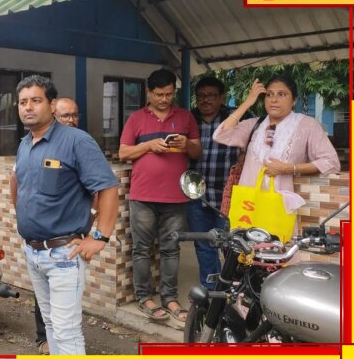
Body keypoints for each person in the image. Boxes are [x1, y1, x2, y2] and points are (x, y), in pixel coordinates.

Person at [12, 75, 119, 355]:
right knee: (49, 325)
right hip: (34, 253)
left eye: (36, 100)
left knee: (66, 331)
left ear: (51, 103)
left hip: (63, 256)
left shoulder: (76, 141)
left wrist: (100, 237)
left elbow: (107, 188)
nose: (29, 107)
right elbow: (19, 186)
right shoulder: (25, 144)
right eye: (23, 102)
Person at [118, 68, 201, 323]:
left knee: (171, 250)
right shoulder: (136, 119)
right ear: (149, 92)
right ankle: (144, 297)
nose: (165, 99)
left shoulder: (185, 117)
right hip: (143, 196)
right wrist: (148, 146)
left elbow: (197, 152)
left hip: (176, 197)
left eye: (169, 94)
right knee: (142, 250)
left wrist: (186, 145)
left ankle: (171, 298)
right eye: (159, 94)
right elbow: (123, 153)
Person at [213, 75, 340, 236]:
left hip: (279, 206)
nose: (274, 100)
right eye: (269, 94)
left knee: (278, 253)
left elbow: (331, 162)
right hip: (249, 204)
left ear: (294, 100)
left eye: (281, 94)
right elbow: (221, 135)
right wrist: (248, 102)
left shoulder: (307, 125)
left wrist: (288, 168)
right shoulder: (255, 124)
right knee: (246, 252)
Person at [188, 77, 250, 289]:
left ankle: (236, 291)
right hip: (197, 195)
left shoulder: (237, 118)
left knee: (232, 245)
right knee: (204, 244)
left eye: (212, 96)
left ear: (221, 98)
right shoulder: (190, 118)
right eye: (202, 96)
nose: (206, 100)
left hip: (229, 195)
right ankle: (211, 291)